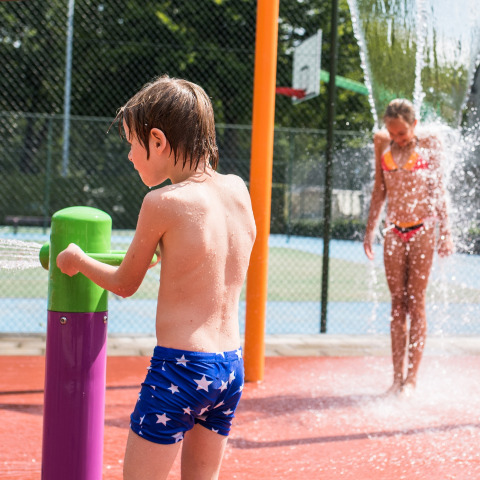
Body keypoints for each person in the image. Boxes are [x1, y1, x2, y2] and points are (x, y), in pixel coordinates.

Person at [56, 75, 256, 479]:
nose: (131, 156)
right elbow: (203, 259)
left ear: (159, 141)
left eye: (133, 143)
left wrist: (77, 259)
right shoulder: (237, 190)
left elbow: (125, 283)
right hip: (230, 367)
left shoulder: (163, 202)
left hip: (180, 369)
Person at [363, 98, 453, 396]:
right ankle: (396, 378)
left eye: (402, 133)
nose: (397, 139)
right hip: (393, 231)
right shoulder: (382, 142)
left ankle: (412, 378)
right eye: (393, 134)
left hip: (423, 230)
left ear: (414, 125)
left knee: (417, 303)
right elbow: (379, 189)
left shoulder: (429, 142)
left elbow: (438, 189)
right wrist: (370, 230)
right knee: (397, 306)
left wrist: (446, 232)